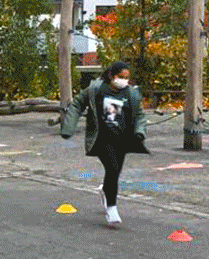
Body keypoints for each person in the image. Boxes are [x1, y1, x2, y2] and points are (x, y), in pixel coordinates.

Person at [60, 60, 148, 226]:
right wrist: (68, 128)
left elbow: (139, 116)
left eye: (127, 78)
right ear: (111, 76)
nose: (124, 81)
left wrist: (139, 132)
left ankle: (105, 190)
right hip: (101, 139)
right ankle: (112, 208)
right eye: (121, 77)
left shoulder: (131, 94)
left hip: (121, 139)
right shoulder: (96, 90)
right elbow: (77, 104)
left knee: (114, 172)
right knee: (112, 168)